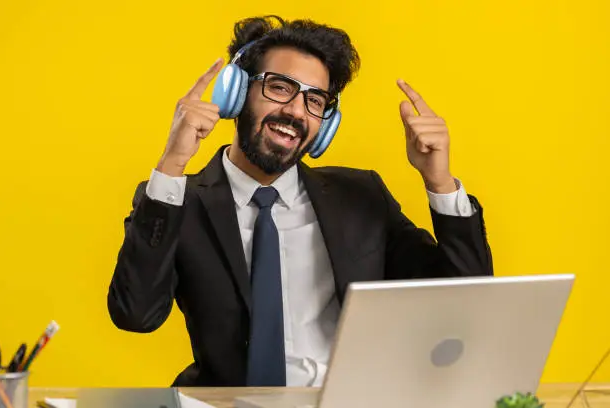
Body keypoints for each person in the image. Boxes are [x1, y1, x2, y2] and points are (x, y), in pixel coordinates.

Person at [107, 15, 493, 388]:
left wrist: (439, 182)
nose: (295, 111)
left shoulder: (360, 196)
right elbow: (136, 314)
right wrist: (172, 164)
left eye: (315, 100)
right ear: (236, 92)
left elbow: (464, 301)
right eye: (279, 87)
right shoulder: (177, 201)